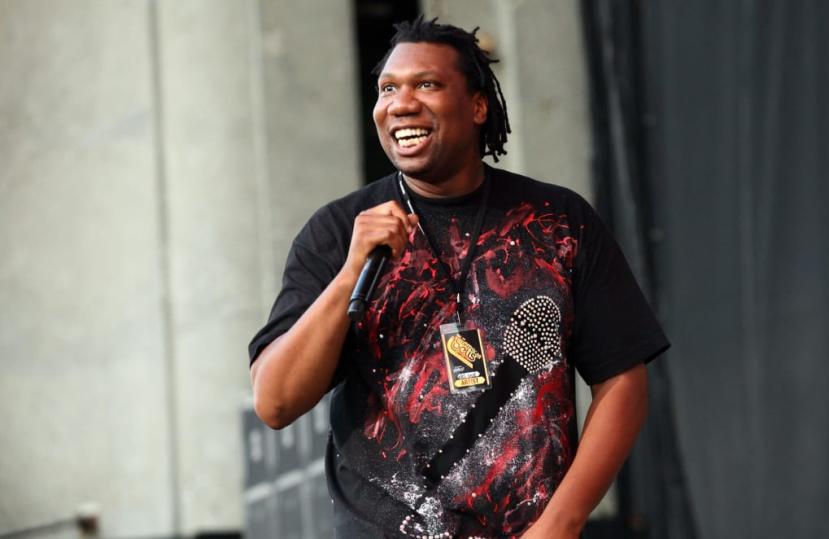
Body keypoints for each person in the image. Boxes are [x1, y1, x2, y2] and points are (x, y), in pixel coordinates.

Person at [249, 16, 669, 539]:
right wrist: (350, 274)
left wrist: (561, 523)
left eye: (426, 84)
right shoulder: (338, 233)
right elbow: (276, 401)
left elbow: (622, 380)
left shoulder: (558, 221)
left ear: (477, 106)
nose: (401, 103)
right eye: (387, 89)